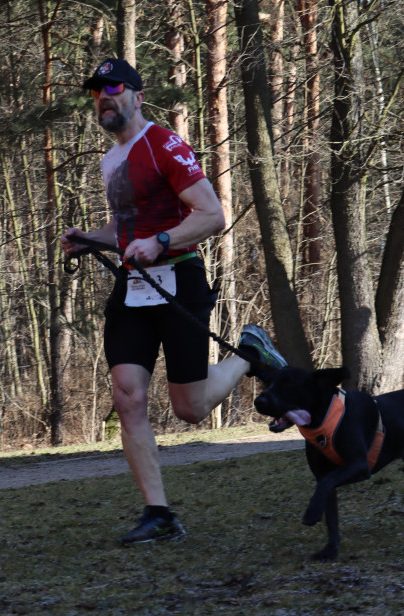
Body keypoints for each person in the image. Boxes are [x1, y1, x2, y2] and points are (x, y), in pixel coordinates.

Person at [61, 58, 287, 545]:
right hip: (133, 284)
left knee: (190, 408)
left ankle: (248, 355)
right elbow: (127, 231)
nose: (104, 97)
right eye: (97, 92)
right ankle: (158, 513)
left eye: (113, 88)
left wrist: (161, 241)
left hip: (178, 278)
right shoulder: (110, 159)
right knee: (128, 397)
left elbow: (211, 215)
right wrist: (91, 239)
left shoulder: (164, 145)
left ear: (137, 97)